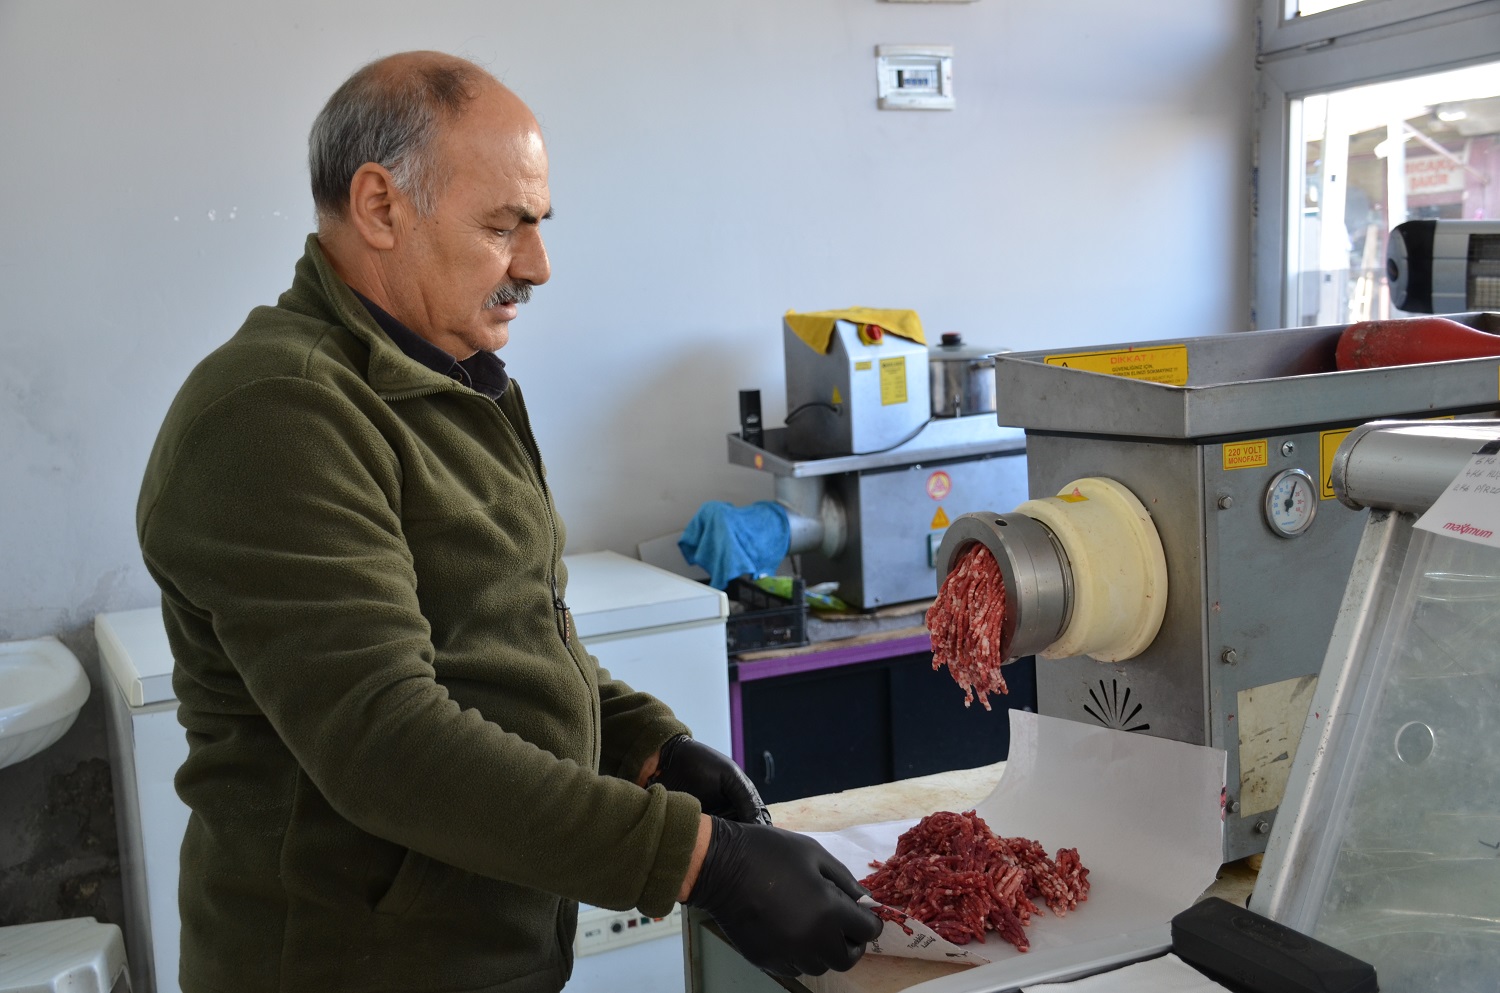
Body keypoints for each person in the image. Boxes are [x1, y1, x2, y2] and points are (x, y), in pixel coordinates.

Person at [137, 51, 881, 993]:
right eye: (504, 226)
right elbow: (389, 743)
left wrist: (645, 745)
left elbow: (506, 636)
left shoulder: (447, 383)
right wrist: (697, 860)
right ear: (379, 207)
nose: (536, 265)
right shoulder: (277, 414)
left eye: (538, 225)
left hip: (488, 955)